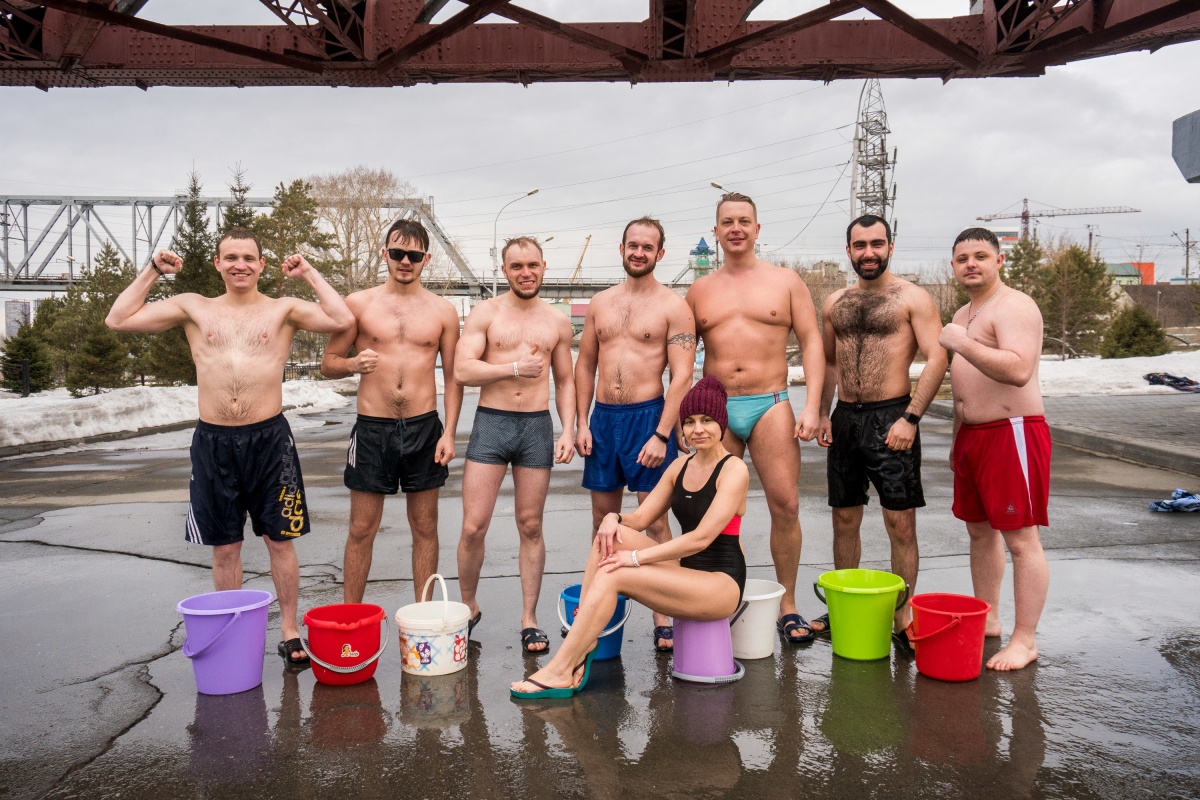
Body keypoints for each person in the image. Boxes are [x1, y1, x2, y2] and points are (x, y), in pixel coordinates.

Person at [105, 228, 354, 667]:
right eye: (231, 257)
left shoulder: (283, 310)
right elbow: (119, 319)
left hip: (270, 441)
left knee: (280, 540)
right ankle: (235, 630)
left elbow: (341, 320)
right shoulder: (193, 307)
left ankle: (291, 630)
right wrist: (153, 271)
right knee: (225, 546)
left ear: (261, 264)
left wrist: (309, 272)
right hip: (214, 442)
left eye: (249, 258)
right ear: (218, 264)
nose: (240, 264)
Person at [511, 375, 748, 698]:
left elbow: (701, 539)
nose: (698, 430)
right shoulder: (680, 468)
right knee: (610, 536)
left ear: (721, 422)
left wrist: (636, 559)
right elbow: (639, 518)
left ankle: (562, 668)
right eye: (690, 421)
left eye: (707, 420)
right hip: (688, 573)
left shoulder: (734, 469)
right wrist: (614, 518)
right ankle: (584, 635)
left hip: (721, 584)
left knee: (614, 574)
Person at [685, 192, 826, 644]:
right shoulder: (699, 289)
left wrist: (812, 405)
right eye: (727, 222)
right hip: (717, 410)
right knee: (717, 511)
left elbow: (812, 342)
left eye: (744, 221)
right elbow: (678, 355)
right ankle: (730, 597)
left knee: (784, 504)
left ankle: (787, 605)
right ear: (716, 231)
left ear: (758, 229)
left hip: (771, 402)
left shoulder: (785, 281)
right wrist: (680, 417)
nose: (736, 228)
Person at [814, 215, 948, 650]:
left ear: (890, 246)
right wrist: (820, 413)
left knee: (900, 524)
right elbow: (831, 363)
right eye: (859, 245)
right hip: (845, 418)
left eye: (876, 243)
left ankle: (901, 615)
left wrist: (910, 418)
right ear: (848, 249)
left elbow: (938, 357)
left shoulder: (913, 297)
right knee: (844, 518)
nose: (868, 252)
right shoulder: (835, 301)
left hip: (892, 415)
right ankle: (843, 608)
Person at [320, 218, 463, 604]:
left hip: (423, 428)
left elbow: (453, 377)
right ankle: (351, 616)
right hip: (372, 428)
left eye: (413, 255)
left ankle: (425, 613)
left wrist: (449, 432)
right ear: (385, 254)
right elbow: (328, 361)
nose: (405, 261)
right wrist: (352, 365)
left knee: (425, 526)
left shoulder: (443, 311)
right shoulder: (359, 304)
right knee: (362, 528)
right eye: (397, 253)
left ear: (426, 259)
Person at [575, 216, 695, 652]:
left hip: (649, 419)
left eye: (648, 247)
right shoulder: (600, 303)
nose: (639, 252)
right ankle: (599, 610)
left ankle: (667, 616)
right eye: (633, 245)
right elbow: (585, 364)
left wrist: (662, 434)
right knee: (602, 522)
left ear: (660, 254)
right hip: (604, 421)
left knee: (656, 523)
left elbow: (682, 375)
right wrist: (581, 422)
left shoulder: (673, 306)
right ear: (622, 248)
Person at [455, 236, 576, 654]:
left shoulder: (557, 321)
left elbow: (566, 380)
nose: (526, 273)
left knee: (531, 525)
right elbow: (462, 369)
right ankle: (468, 606)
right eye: (517, 266)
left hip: (536, 428)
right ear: (504, 271)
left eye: (533, 265)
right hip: (492, 423)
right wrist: (512, 367)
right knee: (474, 526)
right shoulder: (485, 313)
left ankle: (529, 619)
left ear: (544, 267)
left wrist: (569, 429)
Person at [940, 227, 1050, 671]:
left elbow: (1019, 369)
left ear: (999, 260)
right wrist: (955, 440)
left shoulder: (1014, 305)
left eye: (981, 255)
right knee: (979, 531)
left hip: (1013, 431)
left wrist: (962, 343)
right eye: (963, 257)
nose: (971, 263)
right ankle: (989, 617)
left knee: (1022, 540)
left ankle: (1025, 640)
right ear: (953, 265)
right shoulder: (966, 312)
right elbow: (965, 385)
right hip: (974, 435)